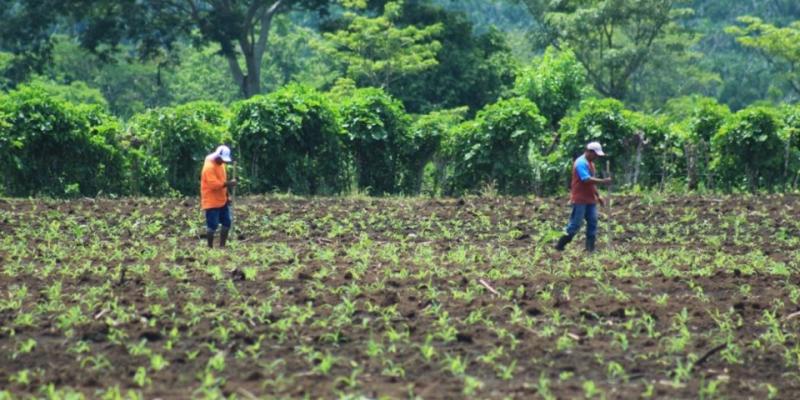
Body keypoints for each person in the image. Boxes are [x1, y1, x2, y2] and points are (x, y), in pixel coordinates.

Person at [555, 142, 612, 253]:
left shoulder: (591, 164)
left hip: (590, 199)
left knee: (593, 222)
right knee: (575, 224)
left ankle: (590, 249)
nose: (596, 157)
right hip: (580, 199)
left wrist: (598, 195)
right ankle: (560, 245)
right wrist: (604, 181)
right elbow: (586, 179)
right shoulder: (580, 163)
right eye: (595, 154)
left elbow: (592, 182)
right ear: (589, 152)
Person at [201, 145, 236, 248]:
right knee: (212, 226)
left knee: (227, 222)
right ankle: (210, 247)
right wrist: (229, 184)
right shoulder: (208, 167)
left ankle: (222, 246)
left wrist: (227, 195)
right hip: (211, 201)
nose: (224, 162)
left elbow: (222, 180)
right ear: (217, 156)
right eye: (222, 159)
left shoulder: (221, 165)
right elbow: (214, 185)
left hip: (222, 199)